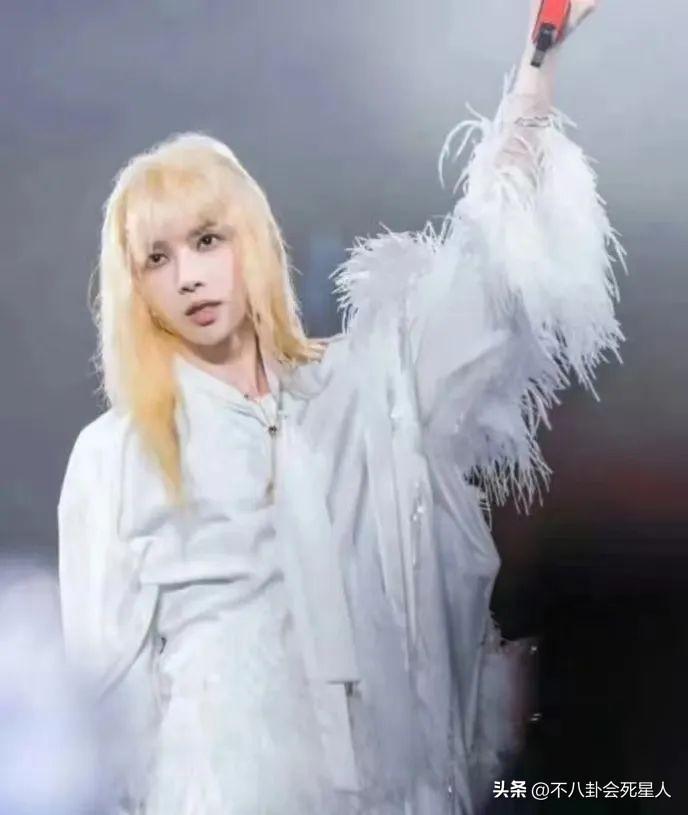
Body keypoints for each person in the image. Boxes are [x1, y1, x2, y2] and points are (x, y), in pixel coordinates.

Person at [57, 1, 623, 813]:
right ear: (135, 289)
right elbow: (100, 705)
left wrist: (536, 70)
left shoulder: (364, 387)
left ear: (251, 240)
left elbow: (482, 287)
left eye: (207, 239)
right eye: (157, 258)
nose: (188, 276)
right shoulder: (118, 453)